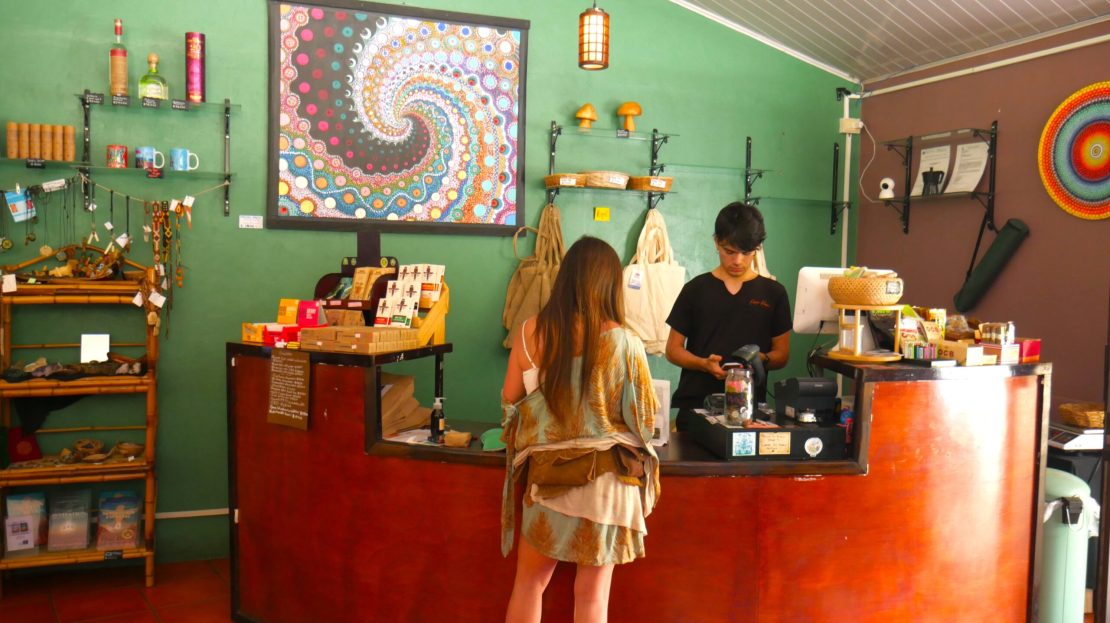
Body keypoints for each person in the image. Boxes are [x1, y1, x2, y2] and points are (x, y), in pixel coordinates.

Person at [501, 236, 660, 623]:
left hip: (547, 481)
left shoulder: (530, 332)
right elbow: (644, 420)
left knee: (529, 584)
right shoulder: (625, 342)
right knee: (591, 597)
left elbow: (509, 403)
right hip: (606, 484)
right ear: (610, 284)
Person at [665, 202, 791, 424]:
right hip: (696, 406)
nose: (737, 261)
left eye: (746, 252)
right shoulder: (695, 289)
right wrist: (703, 364)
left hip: (749, 410)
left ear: (757, 248)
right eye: (729, 251)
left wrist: (760, 360)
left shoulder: (774, 293)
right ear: (716, 242)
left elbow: (782, 354)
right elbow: (673, 350)